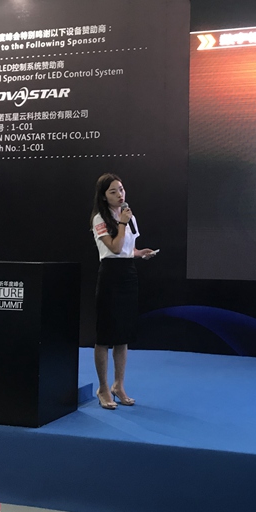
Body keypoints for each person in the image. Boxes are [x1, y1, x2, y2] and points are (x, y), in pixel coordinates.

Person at [90, 173, 156, 410]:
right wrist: (122, 223)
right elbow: (115, 248)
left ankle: (119, 385)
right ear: (103, 196)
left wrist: (140, 253)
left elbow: (128, 249)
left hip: (129, 274)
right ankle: (103, 388)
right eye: (113, 191)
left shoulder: (129, 217)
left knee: (123, 334)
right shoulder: (100, 218)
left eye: (121, 189)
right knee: (105, 335)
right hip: (110, 275)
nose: (120, 195)